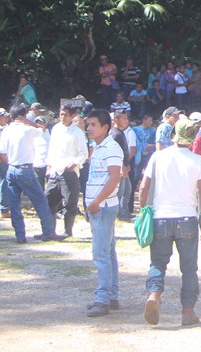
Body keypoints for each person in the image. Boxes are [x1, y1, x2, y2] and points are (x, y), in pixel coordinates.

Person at [140, 116, 201, 327]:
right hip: (187, 219)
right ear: (193, 137)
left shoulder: (158, 156)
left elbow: (143, 188)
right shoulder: (198, 160)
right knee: (189, 268)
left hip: (160, 217)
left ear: (173, 135)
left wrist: (144, 211)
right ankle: (188, 312)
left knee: (158, 263)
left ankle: (154, 294)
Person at [0, 104, 67, 243]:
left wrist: (11, 163)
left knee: (14, 204)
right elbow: (42, 129)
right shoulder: (28, 129)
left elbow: (1, 153)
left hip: (12, 168)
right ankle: (48, 231)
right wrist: (28, 121)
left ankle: (20, 235)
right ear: (24, 116)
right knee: (40, 201)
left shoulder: (6, 131)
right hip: (25, 169)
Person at [84, 110, 123, 317]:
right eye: (88, 124)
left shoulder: (111, 148)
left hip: (103, 206)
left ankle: (103, 299)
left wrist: (96, 202)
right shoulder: (97, 148)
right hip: (99, 205)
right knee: (108, 251)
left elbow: (114, 177)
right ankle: (111, 296)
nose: (89, 128)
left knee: (101, 253)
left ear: (105, 127)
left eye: (92, 124)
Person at [46, 105, 89, 237]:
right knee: (49, 200)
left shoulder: (77, 132)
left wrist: (75, 163)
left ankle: (67, 231)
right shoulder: (56, 129)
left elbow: (84, 152)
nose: (62, 117)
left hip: (69, 171)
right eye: (61, 114)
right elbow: (52, 149)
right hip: (55, 170)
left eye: (65, 115)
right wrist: (49, 165)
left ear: (71, 116)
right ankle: (50, 231)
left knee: (70, 202)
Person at [109, 108, 135, 221]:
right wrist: (121, 167)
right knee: (120, 192)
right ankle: (119, 213)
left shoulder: (121, 132)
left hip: (124, 165)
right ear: (116, 120)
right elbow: (114, 153)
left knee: (127, 190)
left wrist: (126, 163)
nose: (126, 120)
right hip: (119, 168)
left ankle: (124, 211)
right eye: (123, 118)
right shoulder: (115, 134)